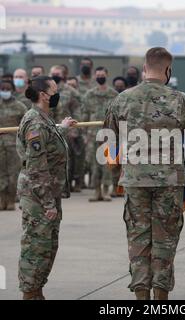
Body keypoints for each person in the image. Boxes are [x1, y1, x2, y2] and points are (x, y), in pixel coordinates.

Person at [104, 47, 185, 300]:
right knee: (165, 239)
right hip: (169, 181)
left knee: (138, 238)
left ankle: (141, 298)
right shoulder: (181, 100)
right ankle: (161, 299)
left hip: (135, 180)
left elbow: (109, 140)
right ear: (168, 70)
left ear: (144, 70)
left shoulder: (122, 99)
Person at [16, 76, 77, 300]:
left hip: (47, 192)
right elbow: (36, 167)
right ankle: (30, 293)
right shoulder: (35, 122)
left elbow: (47, 142)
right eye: (54, 89)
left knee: (48, 246)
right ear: (43, 95)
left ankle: (37, 291)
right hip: (39, 196)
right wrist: (48, 202)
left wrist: (62, 127)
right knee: (36, 248)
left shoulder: (44, 119)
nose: (57, 93)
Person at [82, 67, 118, 201]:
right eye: (98, 75)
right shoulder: (89, 94)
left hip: (110, 134)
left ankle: (106, 190)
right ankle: (96, 191)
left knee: (108, 163)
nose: (100, 77)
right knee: (94, 163)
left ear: (107, 75)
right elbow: (84, 115)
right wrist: (84, 134)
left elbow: (118, 115)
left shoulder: (114, 95)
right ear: (94, 76)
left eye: (102, 75)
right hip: (92, 134)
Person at [49, 65, 84, 192]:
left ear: (63, 75)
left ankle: (66, 186)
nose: (55, 75)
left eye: (57, 73)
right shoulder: (47, 90)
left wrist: (75, 129)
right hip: (50, 129)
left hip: (66, 129)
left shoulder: (71, 92)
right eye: (53, 73)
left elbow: (77, 110)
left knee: (67, 159)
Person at [0, 80, 27, 210]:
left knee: (13, 173)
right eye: (2, 88)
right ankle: (2, 199)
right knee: (1, 173)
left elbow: (26, 125)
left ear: (12, 90)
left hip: (14, 144)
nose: (5, 91)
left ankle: (11, 200)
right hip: (0, 145)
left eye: (7, 88)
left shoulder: (20, 106)